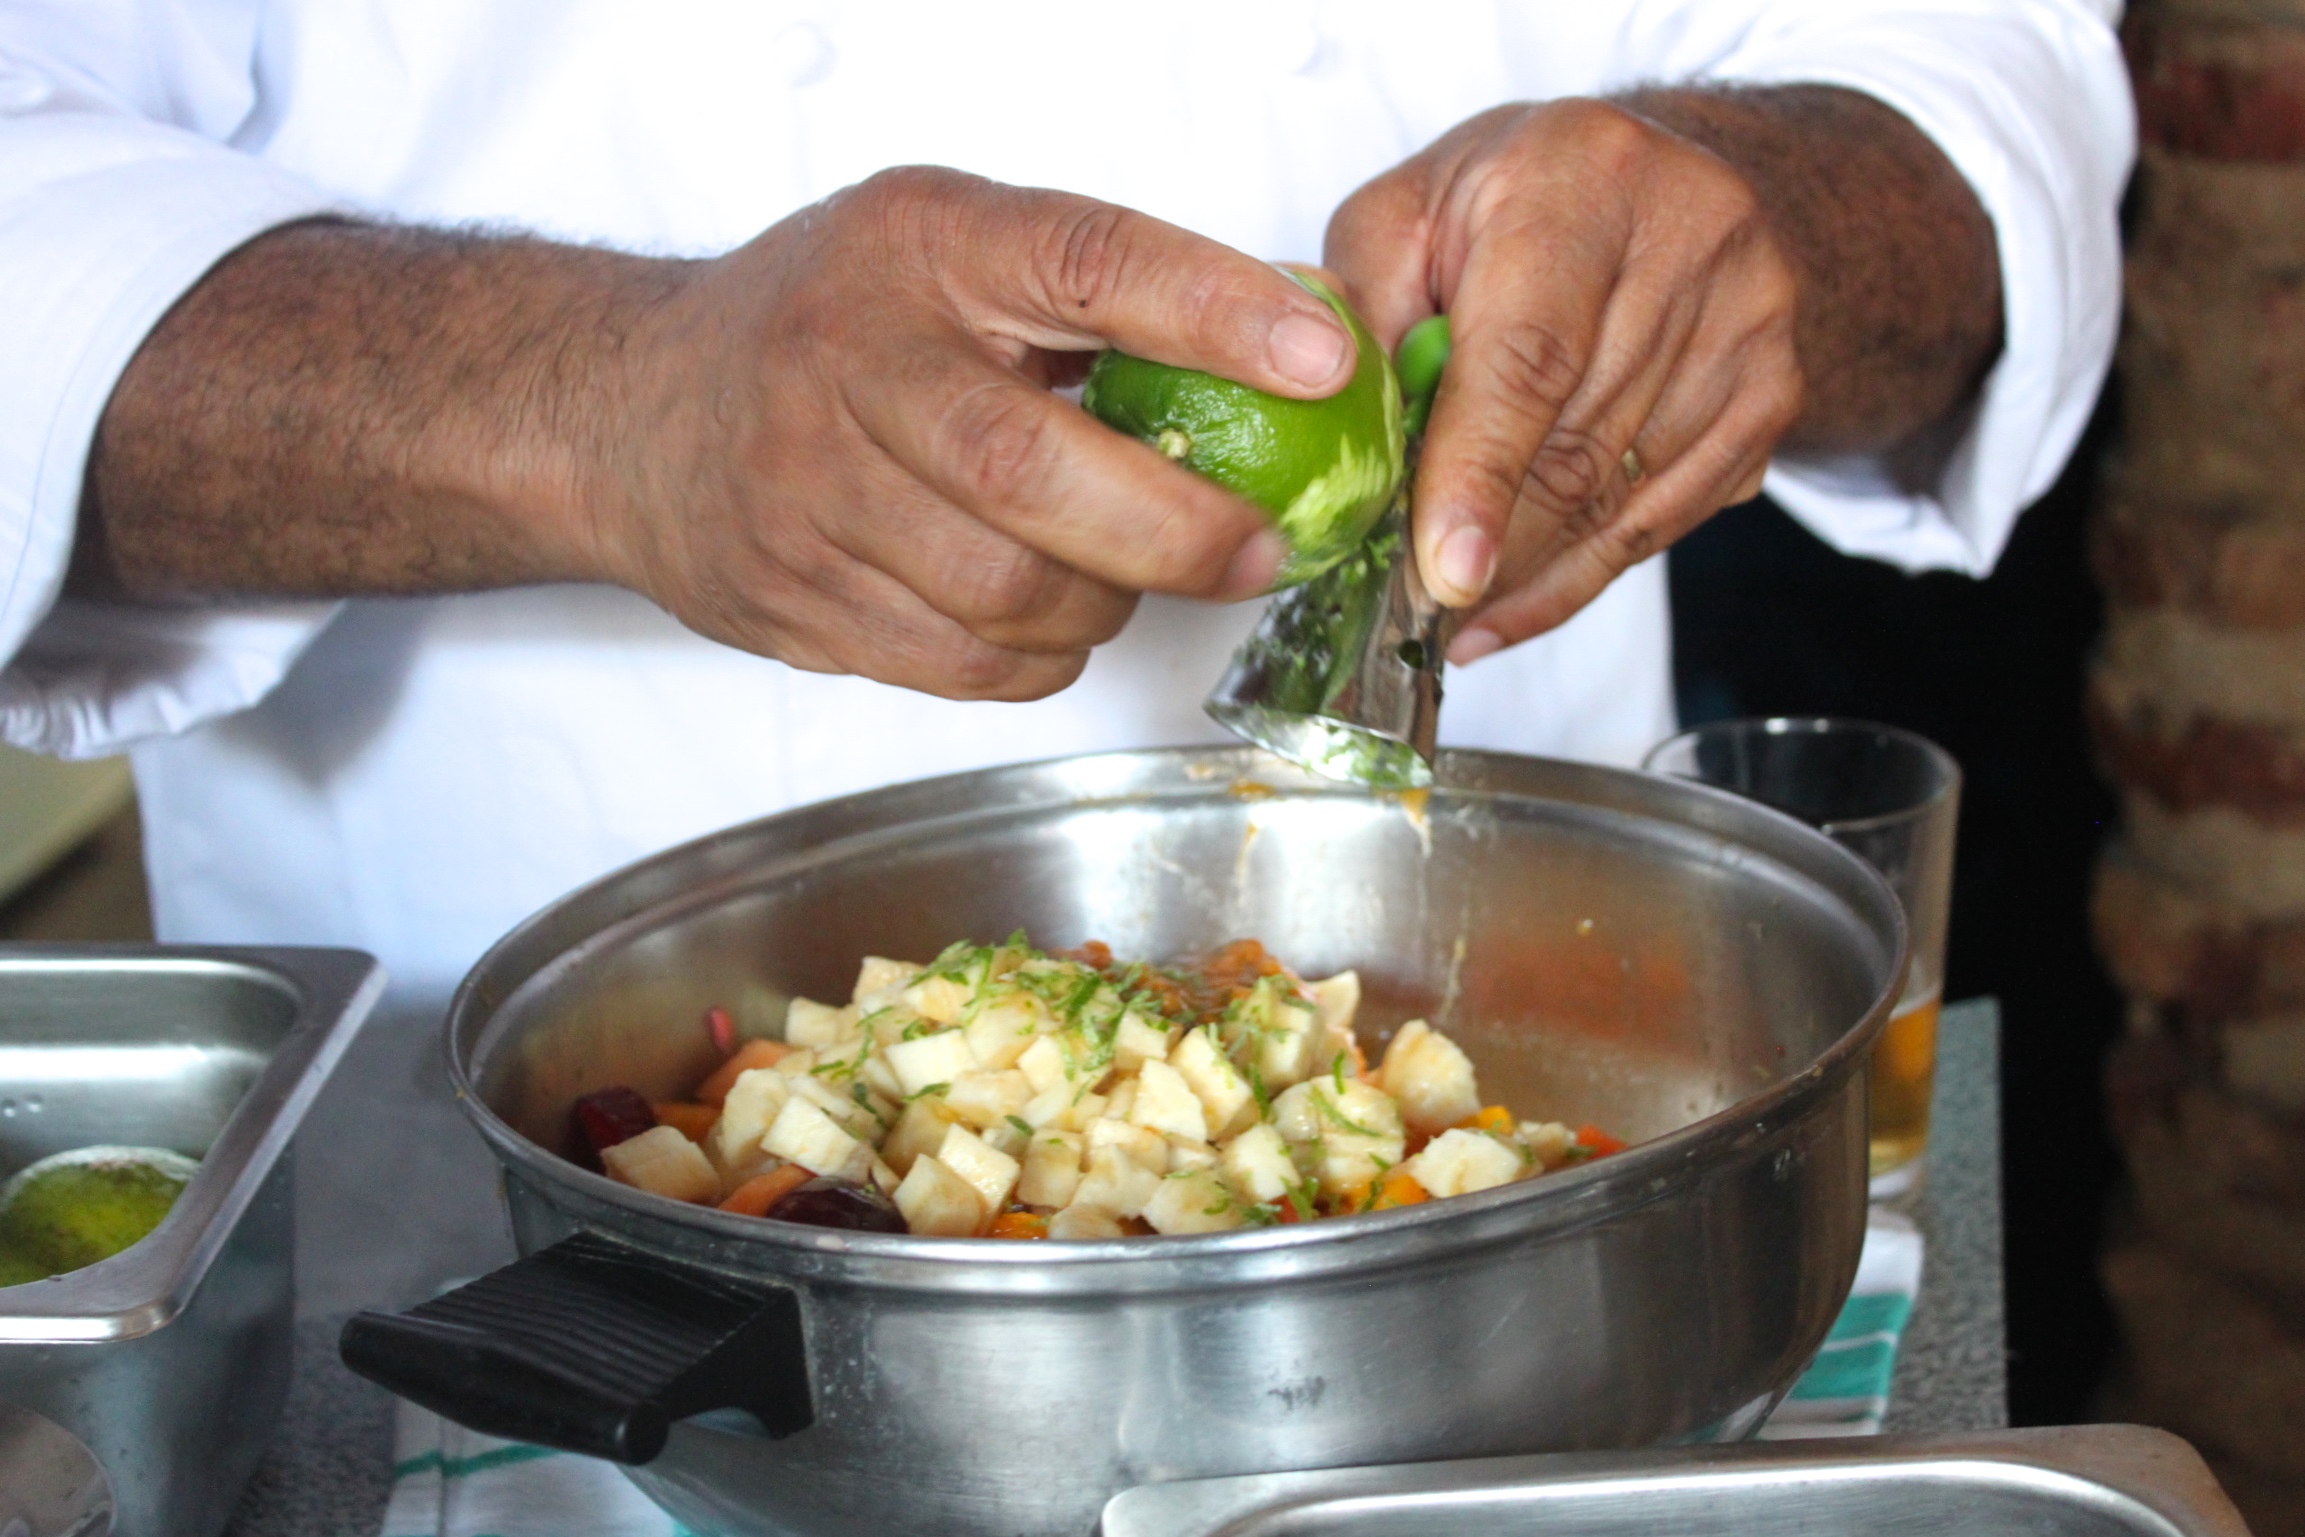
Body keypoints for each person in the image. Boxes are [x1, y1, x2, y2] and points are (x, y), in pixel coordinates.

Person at [0, 2, 2130, 1309]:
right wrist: (598, 401)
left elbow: (1968, 78)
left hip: (1519, 1120)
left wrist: (1750, 214)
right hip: (481, 1202)